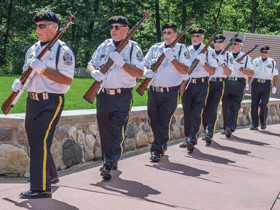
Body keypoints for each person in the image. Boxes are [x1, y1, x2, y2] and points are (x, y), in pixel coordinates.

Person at [12, 11, 75, 198]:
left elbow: (67, 80)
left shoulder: (63, 51)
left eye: (42, 25)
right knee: (35, 141)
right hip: (32, 100)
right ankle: (51, 175)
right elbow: (27, 74)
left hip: (51, 101)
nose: (37, 29)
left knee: (39, 141)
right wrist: (20, 84)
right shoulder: (32, 49)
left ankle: (40, 187)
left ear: (54, 27)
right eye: (37, 26)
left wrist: (44, 70)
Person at [87, 16, 144, 179]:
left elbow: (140, 73)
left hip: (123, 96)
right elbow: (90, 63)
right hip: (103, 95)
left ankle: (107, 164)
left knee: (117, 131)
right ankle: (110, 159)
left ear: (126, 29)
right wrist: (94, 72)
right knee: (104, 131)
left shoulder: (133, 48)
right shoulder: (104, 45)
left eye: (118, 27)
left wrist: (122, 63)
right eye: (112, 27)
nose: (114, 30)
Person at [143, 22, 190, 162]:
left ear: (175, 34)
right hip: (153, 90)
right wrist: (147, 72)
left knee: (164, 120)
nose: (167, 35)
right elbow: (144, 64)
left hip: (170, 92)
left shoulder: (182, 50)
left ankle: (156, 150)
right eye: (165, 33)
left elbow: (185, 70)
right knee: (154, 119)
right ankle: (161, 143)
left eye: (170, 33)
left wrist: (172, 59)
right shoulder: (155, 48)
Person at [179, 28, 218, 152]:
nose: (195, 38)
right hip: (187, 84)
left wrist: (203, 63)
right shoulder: (186, 50)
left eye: (197, 36)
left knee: (196, 112)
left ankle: (192, 139)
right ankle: (187, 137)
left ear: (202, 38)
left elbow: (213, 71)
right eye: (193, 36)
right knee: (187, 112)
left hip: (201, 84)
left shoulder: (209, 51)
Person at [202, 34, 233, 144]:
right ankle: (206, 129)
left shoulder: (228, 56)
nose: (217, 44)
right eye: (216, 42)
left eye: (220, 42)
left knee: (213, 108)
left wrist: (222, 63)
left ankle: (209, 133)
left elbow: (229, 73)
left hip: (219, 83)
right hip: (207, 82)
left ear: (224, 43)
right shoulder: (208, 52)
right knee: (204, 108)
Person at [222, 38, 254, 138]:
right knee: (225, 106)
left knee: (234, 106)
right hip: (226, 81)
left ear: (240, 46)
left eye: (235, 44)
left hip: (238, 83)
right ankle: (225, 127)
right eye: (232, 43)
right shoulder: (226, 55)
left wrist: (239, 67)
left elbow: (251, 73)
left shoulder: (246, 57)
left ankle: (230, 127)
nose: (233, 45)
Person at [250, 45, 278, 130]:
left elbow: (275, 75)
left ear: (269, 53)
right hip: (256, 83)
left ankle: (263, 122)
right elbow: (251, 72)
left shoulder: (272, 62)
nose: (263, 54)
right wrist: (247, 82)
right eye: (262, 52)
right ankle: (255, 124)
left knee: (263, 103)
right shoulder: (255, 61)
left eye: (265, 52)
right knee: (254, 104)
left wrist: (274, 86)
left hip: (266, 85)